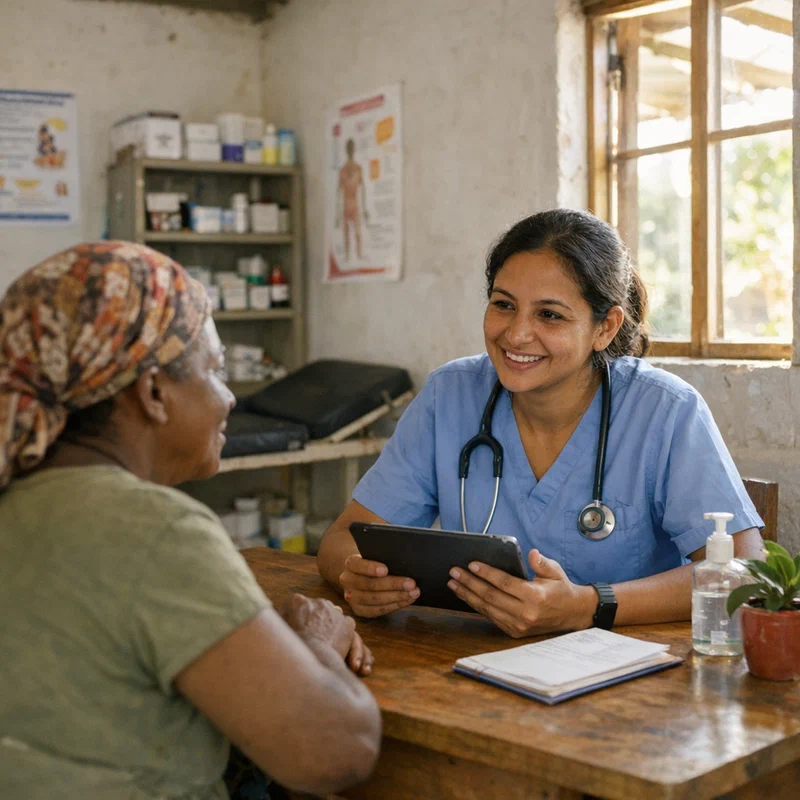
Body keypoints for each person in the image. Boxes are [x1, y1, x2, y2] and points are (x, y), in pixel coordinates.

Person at [0, 242, 381, 800]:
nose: (228, 398)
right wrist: (314, 642)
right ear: (153, 392)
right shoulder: (150, 529)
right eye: (215, 370)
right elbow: (336, 751)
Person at [317, 209, 765, 637]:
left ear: (605, 327)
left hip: (631, 675)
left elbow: (744, 572)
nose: (515, 334)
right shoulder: (449, 396)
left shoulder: (664, 410)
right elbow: (341, 539)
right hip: (471, 661)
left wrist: (589, 606)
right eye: (503, 304)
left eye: (549, 315)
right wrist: (357, 576)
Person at [336, 138, 368, 260]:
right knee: (346, 232)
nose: (350, 151)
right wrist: (337, 214)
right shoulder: (342, 170)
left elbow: (363, 188)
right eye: (349, 148)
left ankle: (359, 254)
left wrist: (364, 208)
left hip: (354, 203)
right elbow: (338, 192)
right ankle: (347, 255)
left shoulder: (358, 169)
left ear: (354, 150)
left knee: (357, 231)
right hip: (345, 203)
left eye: (351, 148)